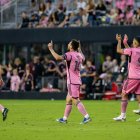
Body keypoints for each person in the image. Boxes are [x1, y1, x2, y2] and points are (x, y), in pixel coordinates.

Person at [48, 39, 91, 124]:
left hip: (73, 81)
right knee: (68, 100)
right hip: (77, 80)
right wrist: (79, 48)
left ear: (71, 46)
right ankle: (64, 119)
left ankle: (87, 117)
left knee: (75, 100)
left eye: (70, 43)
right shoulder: (79, 55)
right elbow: (83, 57)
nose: (68, 43)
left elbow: (57, 57)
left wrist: (51, 49)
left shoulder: (69, 55)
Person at [113, 34, 140, 121]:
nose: (132, 42)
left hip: (133, 77)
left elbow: (118, 50)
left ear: (136, 42)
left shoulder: (132, 50)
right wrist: (125, 43)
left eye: (133, 41)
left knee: (124, 94)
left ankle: (123, 116)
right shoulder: (135, 50)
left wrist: (119, 41)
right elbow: (131, 51)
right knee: (139, 96)